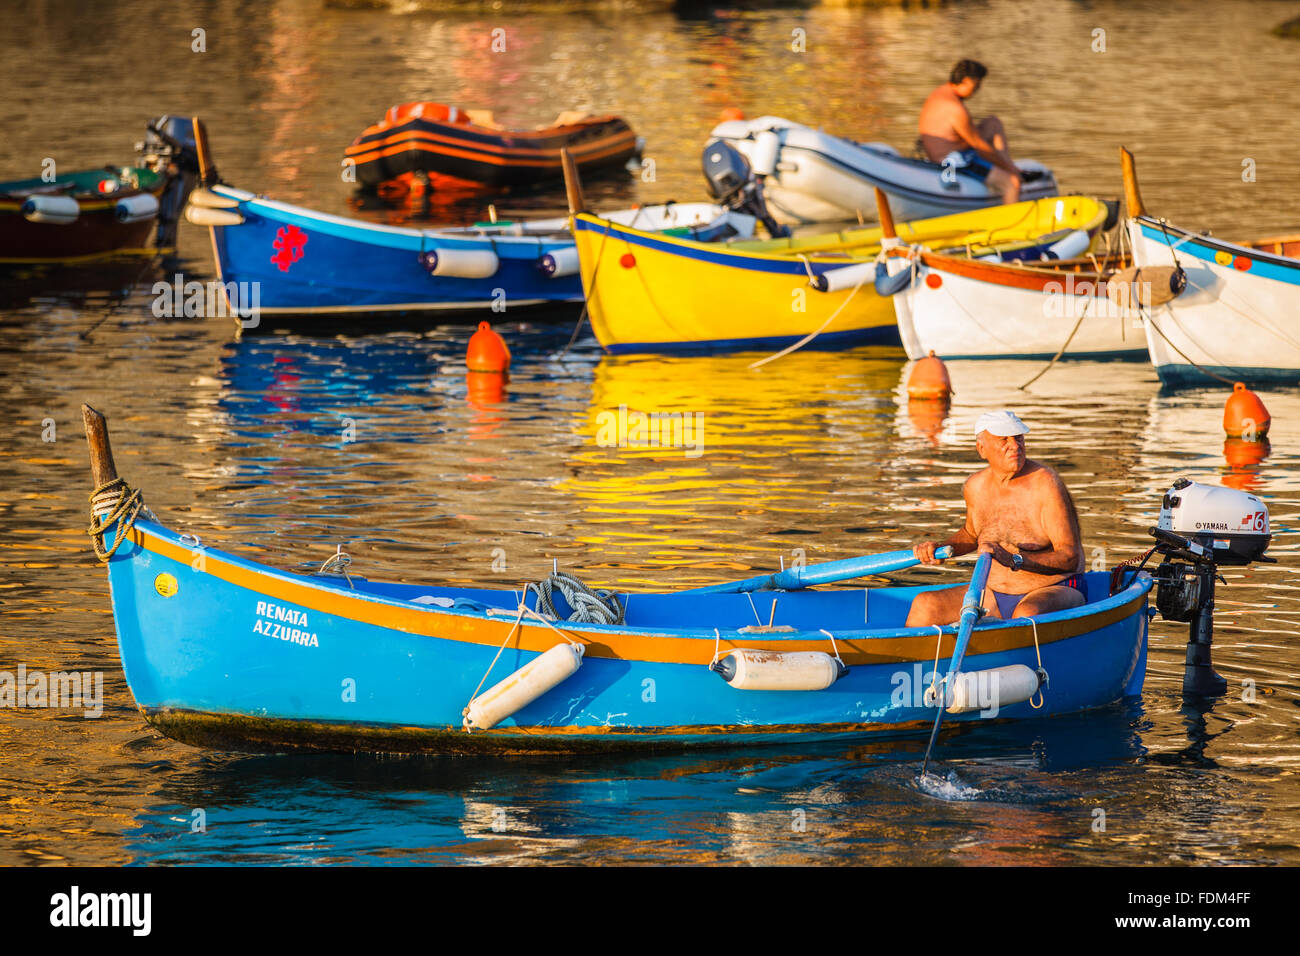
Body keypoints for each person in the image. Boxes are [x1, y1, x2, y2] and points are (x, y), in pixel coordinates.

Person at [905, 410, 1086, 627]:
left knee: (1026, 613)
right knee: (924, 604)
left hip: (1054, 589)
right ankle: (906, 661)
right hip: (993, 593)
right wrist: (938, 548)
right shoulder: (975, 486)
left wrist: (1015, 560)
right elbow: (972, 534)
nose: (1015, 445)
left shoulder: (1045, 483)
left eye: (1018, 438)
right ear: (981, 449)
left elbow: (1069, 557)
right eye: (1004, 440)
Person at [918, 59, 1021, 204]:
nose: (978, 89)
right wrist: (1010, 171)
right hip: (954, 161)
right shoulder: (956, 109)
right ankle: (1012, 223)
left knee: (993, 123)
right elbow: (980, 147)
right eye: (977, 84)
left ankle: (1007, 164)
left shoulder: (940, 93)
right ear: (966, 81)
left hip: (946, 152)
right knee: (1012, 183)